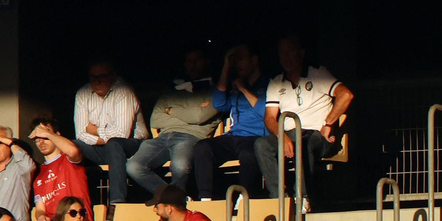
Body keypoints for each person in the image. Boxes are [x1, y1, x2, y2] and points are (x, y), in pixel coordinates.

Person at [257, 35, 354, 202]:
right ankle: (280, 198)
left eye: (290, 51)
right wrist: (283, 137)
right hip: (290, 134)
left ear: (300, 53)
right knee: (261, 144)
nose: (286, 57)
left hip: (316, 135)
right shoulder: (276, 82)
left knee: (302, 143)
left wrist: (328, 123)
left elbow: (346, 95)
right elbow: (270, 118)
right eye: (282, 52)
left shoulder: (317, 74)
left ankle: (303, 198)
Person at [126, 50, 219, 196]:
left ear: (206, 62)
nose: (192, 65)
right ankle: (174, 198)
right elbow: (156, 119)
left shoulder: (215, 90)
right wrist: (190, 114)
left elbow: (199, 117)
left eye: (197, 60)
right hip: (163, 137)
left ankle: (173, 202)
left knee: (180, 166)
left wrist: (170, 110)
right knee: (133, 166)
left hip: (191, 136)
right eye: (189, 61)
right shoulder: (173, 91)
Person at [193, 44, 267, 200]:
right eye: (234, 60)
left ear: (254, 60)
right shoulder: (236, 86)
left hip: (257, 137)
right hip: (234, 136)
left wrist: (244, 90)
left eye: (240, 59)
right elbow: (219, 104)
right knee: (202, 147)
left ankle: (244, 197)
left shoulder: (269, 83)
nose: (237, 64)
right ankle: (205, 198)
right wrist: (226, 67)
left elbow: (264, 112)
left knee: (248, 154)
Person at [73, 60, 146, 205]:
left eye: (102, 77)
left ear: (113, 76)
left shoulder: (124, 92)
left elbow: (122, 133)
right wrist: (100, 140)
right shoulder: (83, 93)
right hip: (101, 148)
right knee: (72, 147)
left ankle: (117, 202)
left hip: (132, 146)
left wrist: (95, 130)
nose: (98, 82)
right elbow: (80, 133)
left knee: (114, 145)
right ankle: (76, 201)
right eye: (93, 77)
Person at [26, 119, 90, 221]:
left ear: (56, 135)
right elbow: (40, 209)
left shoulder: (68, 159)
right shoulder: (39, 173)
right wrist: (41, 216)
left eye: (45, 137)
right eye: (37, 138)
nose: (41, 142)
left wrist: (48, 133)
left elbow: (73, 151)